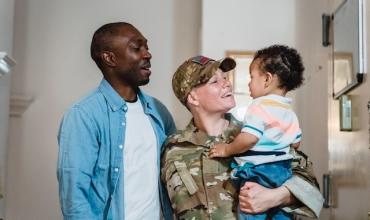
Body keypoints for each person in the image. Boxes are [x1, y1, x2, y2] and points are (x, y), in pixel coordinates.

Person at [161, 55, 324, 220]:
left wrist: (276, 196)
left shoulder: (259, 134)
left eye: (225, 78)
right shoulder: (173, 148)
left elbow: (311, 189)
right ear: (193, 97)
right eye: (215, 81)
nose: (227, 83)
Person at [57, 22, 176, 220]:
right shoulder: (83, 116)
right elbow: (74, 198)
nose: (147, 54)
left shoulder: (158, 111)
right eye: (137, 48)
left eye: (146, 47)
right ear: (110, 58)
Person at [209, 45, 304, 219]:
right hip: (283, 172)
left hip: (259, 172)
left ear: (267, 80)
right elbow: (296, 143)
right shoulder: (290, 112)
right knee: (279, 214)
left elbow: (249, 139)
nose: (248, 83)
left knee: (249, 209)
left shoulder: (258, 106)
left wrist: (227, 149)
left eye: (251, 77)